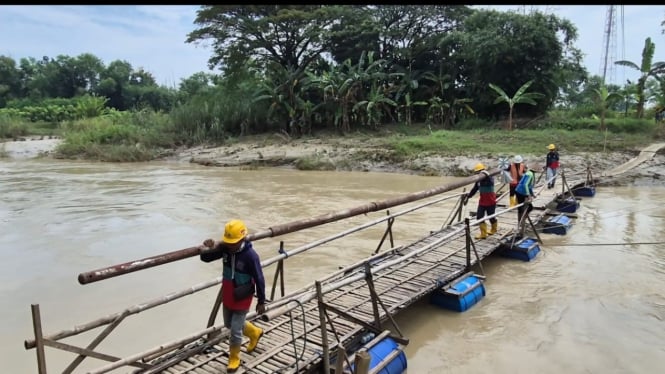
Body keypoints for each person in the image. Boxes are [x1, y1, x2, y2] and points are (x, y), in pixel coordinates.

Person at [201, 219, 266, 373]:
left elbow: (259, 278)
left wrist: (261, 300)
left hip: (243, 293)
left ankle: (234, 358)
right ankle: (255, 332)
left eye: (233, 242)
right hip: (229, 292)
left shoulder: (251, 256)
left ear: (242, 239)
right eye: (228, 242)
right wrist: (207, 247)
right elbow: (206, 258)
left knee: (235, 330)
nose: (230, 245)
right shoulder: (225, 249)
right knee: (229, 324)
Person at [465, 163, 498, 239]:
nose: (478, 174)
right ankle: (483, 234)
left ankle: (494, 229)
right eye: (477, 172)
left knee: (491, 217)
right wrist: (469, 196)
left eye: (479, 172)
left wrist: (484, 173)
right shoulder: (478, 181)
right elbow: (474, 189)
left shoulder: (490, 179)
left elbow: (489, 178)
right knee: (479, 217)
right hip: (482, 202)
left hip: (490, 201)